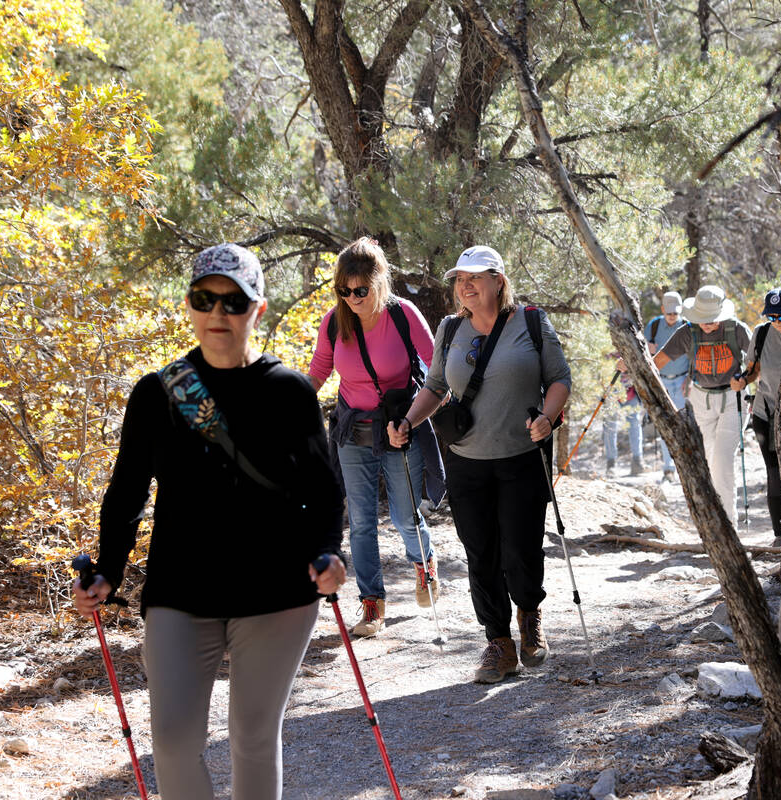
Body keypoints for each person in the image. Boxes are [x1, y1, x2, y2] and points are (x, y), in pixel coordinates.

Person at [72, 243, 346, 800]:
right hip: (181, 588)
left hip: (278, 591)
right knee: (173, 740)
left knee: (252, 733)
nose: (219, 314)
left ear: (257, 311)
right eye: (206, 299)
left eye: (233, 301)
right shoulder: (159, 393)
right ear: (191, 306)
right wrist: (107, 570)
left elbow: (322, 490)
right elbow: (127, 490)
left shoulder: (287, 392)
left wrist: (327, 552)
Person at [387, 245, 571, 684]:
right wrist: (408, 422)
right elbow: (433, 386)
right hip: (467, 462)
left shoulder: (530, 322)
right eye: (459, 279)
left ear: (499, 281)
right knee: (480, 553)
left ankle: (529, 616)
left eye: (475, 277)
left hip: (522, 457)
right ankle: (499, 644)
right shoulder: (450, 330)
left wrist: (547, 418)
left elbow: (560, 379)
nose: (464, 285)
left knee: (521, 549)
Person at [308, 237, 441, 638]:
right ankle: (372, 605)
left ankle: (425, 563)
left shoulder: (404, 316)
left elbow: (437, 371)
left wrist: (415, 418)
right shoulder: (335, 321)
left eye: (361, 290)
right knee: (362, 523)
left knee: (403, 516)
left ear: (379, 282)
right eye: (344, 291)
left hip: (400, 429)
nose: (352, 298)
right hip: (353, 431)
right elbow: (317, 372)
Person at [653, 284, 751, 526]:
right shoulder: (688, 332)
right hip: (700, 400)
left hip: (732, 399)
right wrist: (632, 365)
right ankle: (714, 523)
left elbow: (756, 361)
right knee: (709, 461)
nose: (708, 324)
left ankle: (729, 527)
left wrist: (746, 378)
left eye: (713, 319)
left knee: (723, 460)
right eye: (704, 319)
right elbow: (660, 361)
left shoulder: (736, 329)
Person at [737, 287, 781, 542]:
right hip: (766, 414)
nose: (777, 322)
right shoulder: (761, 334)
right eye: (772, 317)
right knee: (774, 472)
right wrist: (742, 380)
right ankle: (780, 535)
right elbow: (753, 370)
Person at [643, 290, 690, 482]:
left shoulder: (687, 326)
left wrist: (690, 378)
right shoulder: (654, 326)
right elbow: (644, 348)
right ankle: (668, 468)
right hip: (661, 381)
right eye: (669, 312)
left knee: (685, 424)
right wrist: (648, 348)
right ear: (663, 309)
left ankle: (686, 466)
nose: (672, 316)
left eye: (675, 313)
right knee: (666, 424)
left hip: (682, 381)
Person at [602, 362, 644, 477]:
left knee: (635, 425)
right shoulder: (608, 350)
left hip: (631, 393)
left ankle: (638, 460)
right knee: (610, 427)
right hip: (611, 393)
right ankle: (611, 464)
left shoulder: (631, 345)